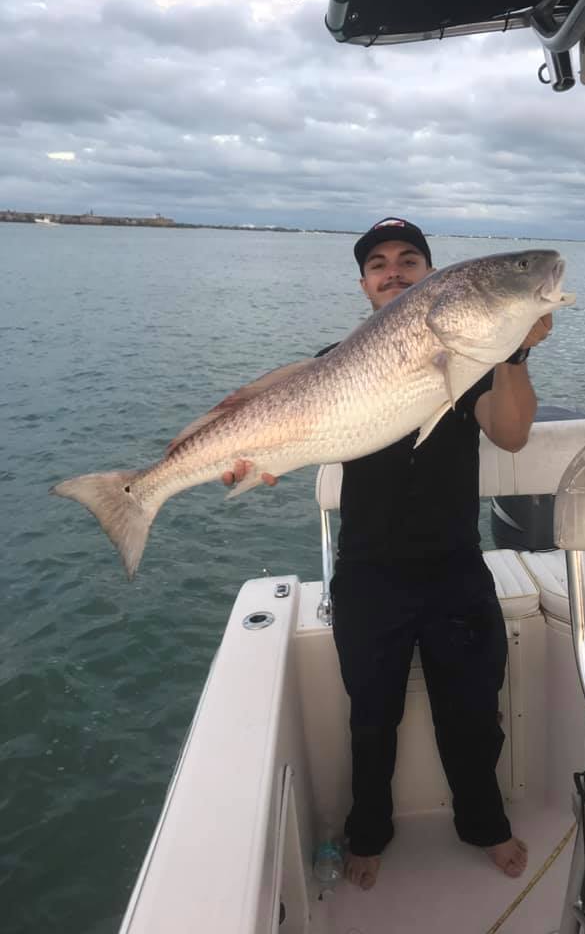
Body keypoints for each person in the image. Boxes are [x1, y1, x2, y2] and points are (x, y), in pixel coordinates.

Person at [223, 217, 552, 891]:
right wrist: (254, 460)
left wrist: (514, 355)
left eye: (409, 259)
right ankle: (368, 831)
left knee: (472, 713)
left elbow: (513, 434)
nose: (393, 270)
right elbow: (289, 428)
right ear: (365, 283)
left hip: (456, 566)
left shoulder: (472, 362)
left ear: (432, 278)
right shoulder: (334, 358)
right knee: (371, 718)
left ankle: (483, 823)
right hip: (370, 573)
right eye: (379, 263)